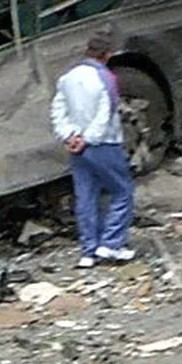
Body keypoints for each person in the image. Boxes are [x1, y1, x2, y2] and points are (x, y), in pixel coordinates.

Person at [53, 34, 135, 267]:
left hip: (76, 146)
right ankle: (111, 244)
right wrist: (88, 139)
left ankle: (88, 251)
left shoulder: (67, 78)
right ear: (107, 55)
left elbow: (58, 110)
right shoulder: (106, 79)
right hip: (104, 144)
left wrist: (69, 136)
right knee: (122, 191)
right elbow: (105, 113)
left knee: (86, 197)